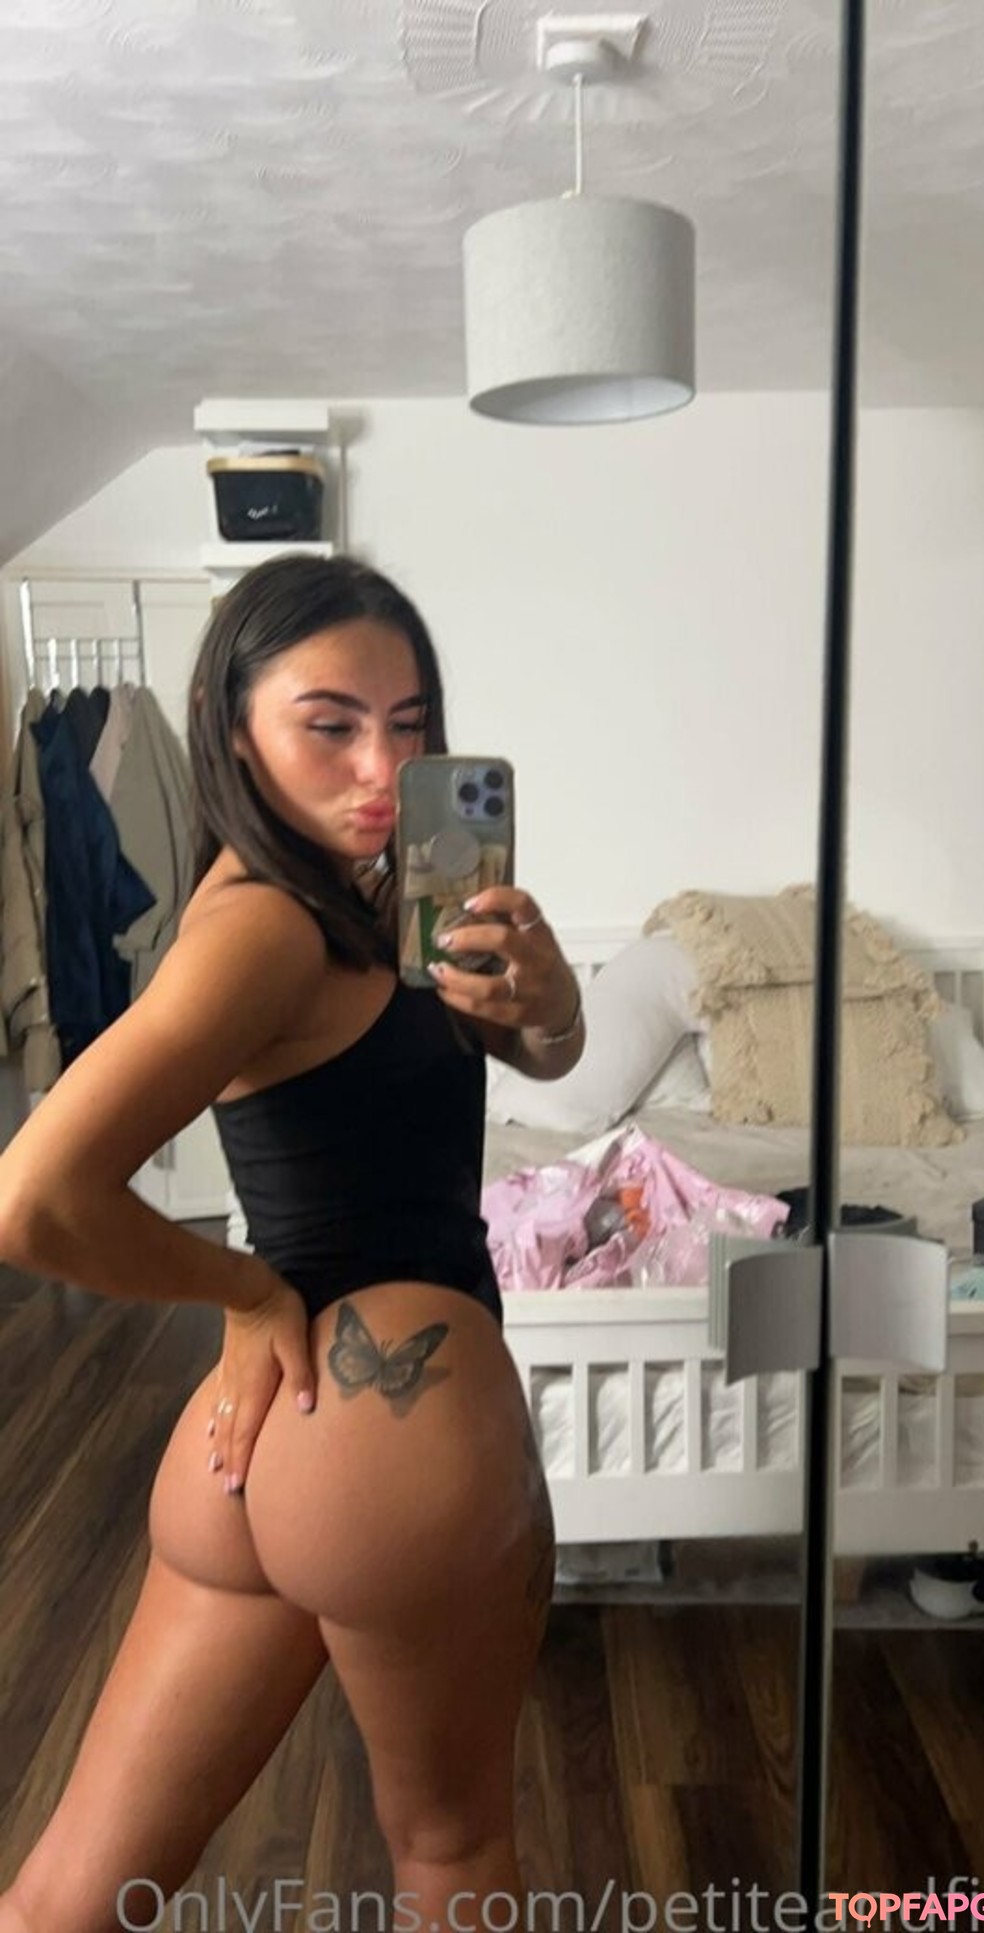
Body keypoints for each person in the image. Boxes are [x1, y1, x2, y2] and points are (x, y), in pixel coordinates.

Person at [0, 554, 586, 1933]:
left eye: (409, 722)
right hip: (391, 1417)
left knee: (69, 1893)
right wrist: (246, 1289)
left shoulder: (362, 899)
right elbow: (33, 1196)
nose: (382, 766)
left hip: (255, 1449)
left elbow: (525, 1059)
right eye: (331, 724)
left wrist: (550, 1006)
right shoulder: (263, 926)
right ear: (231, 723)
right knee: (452, 1854)